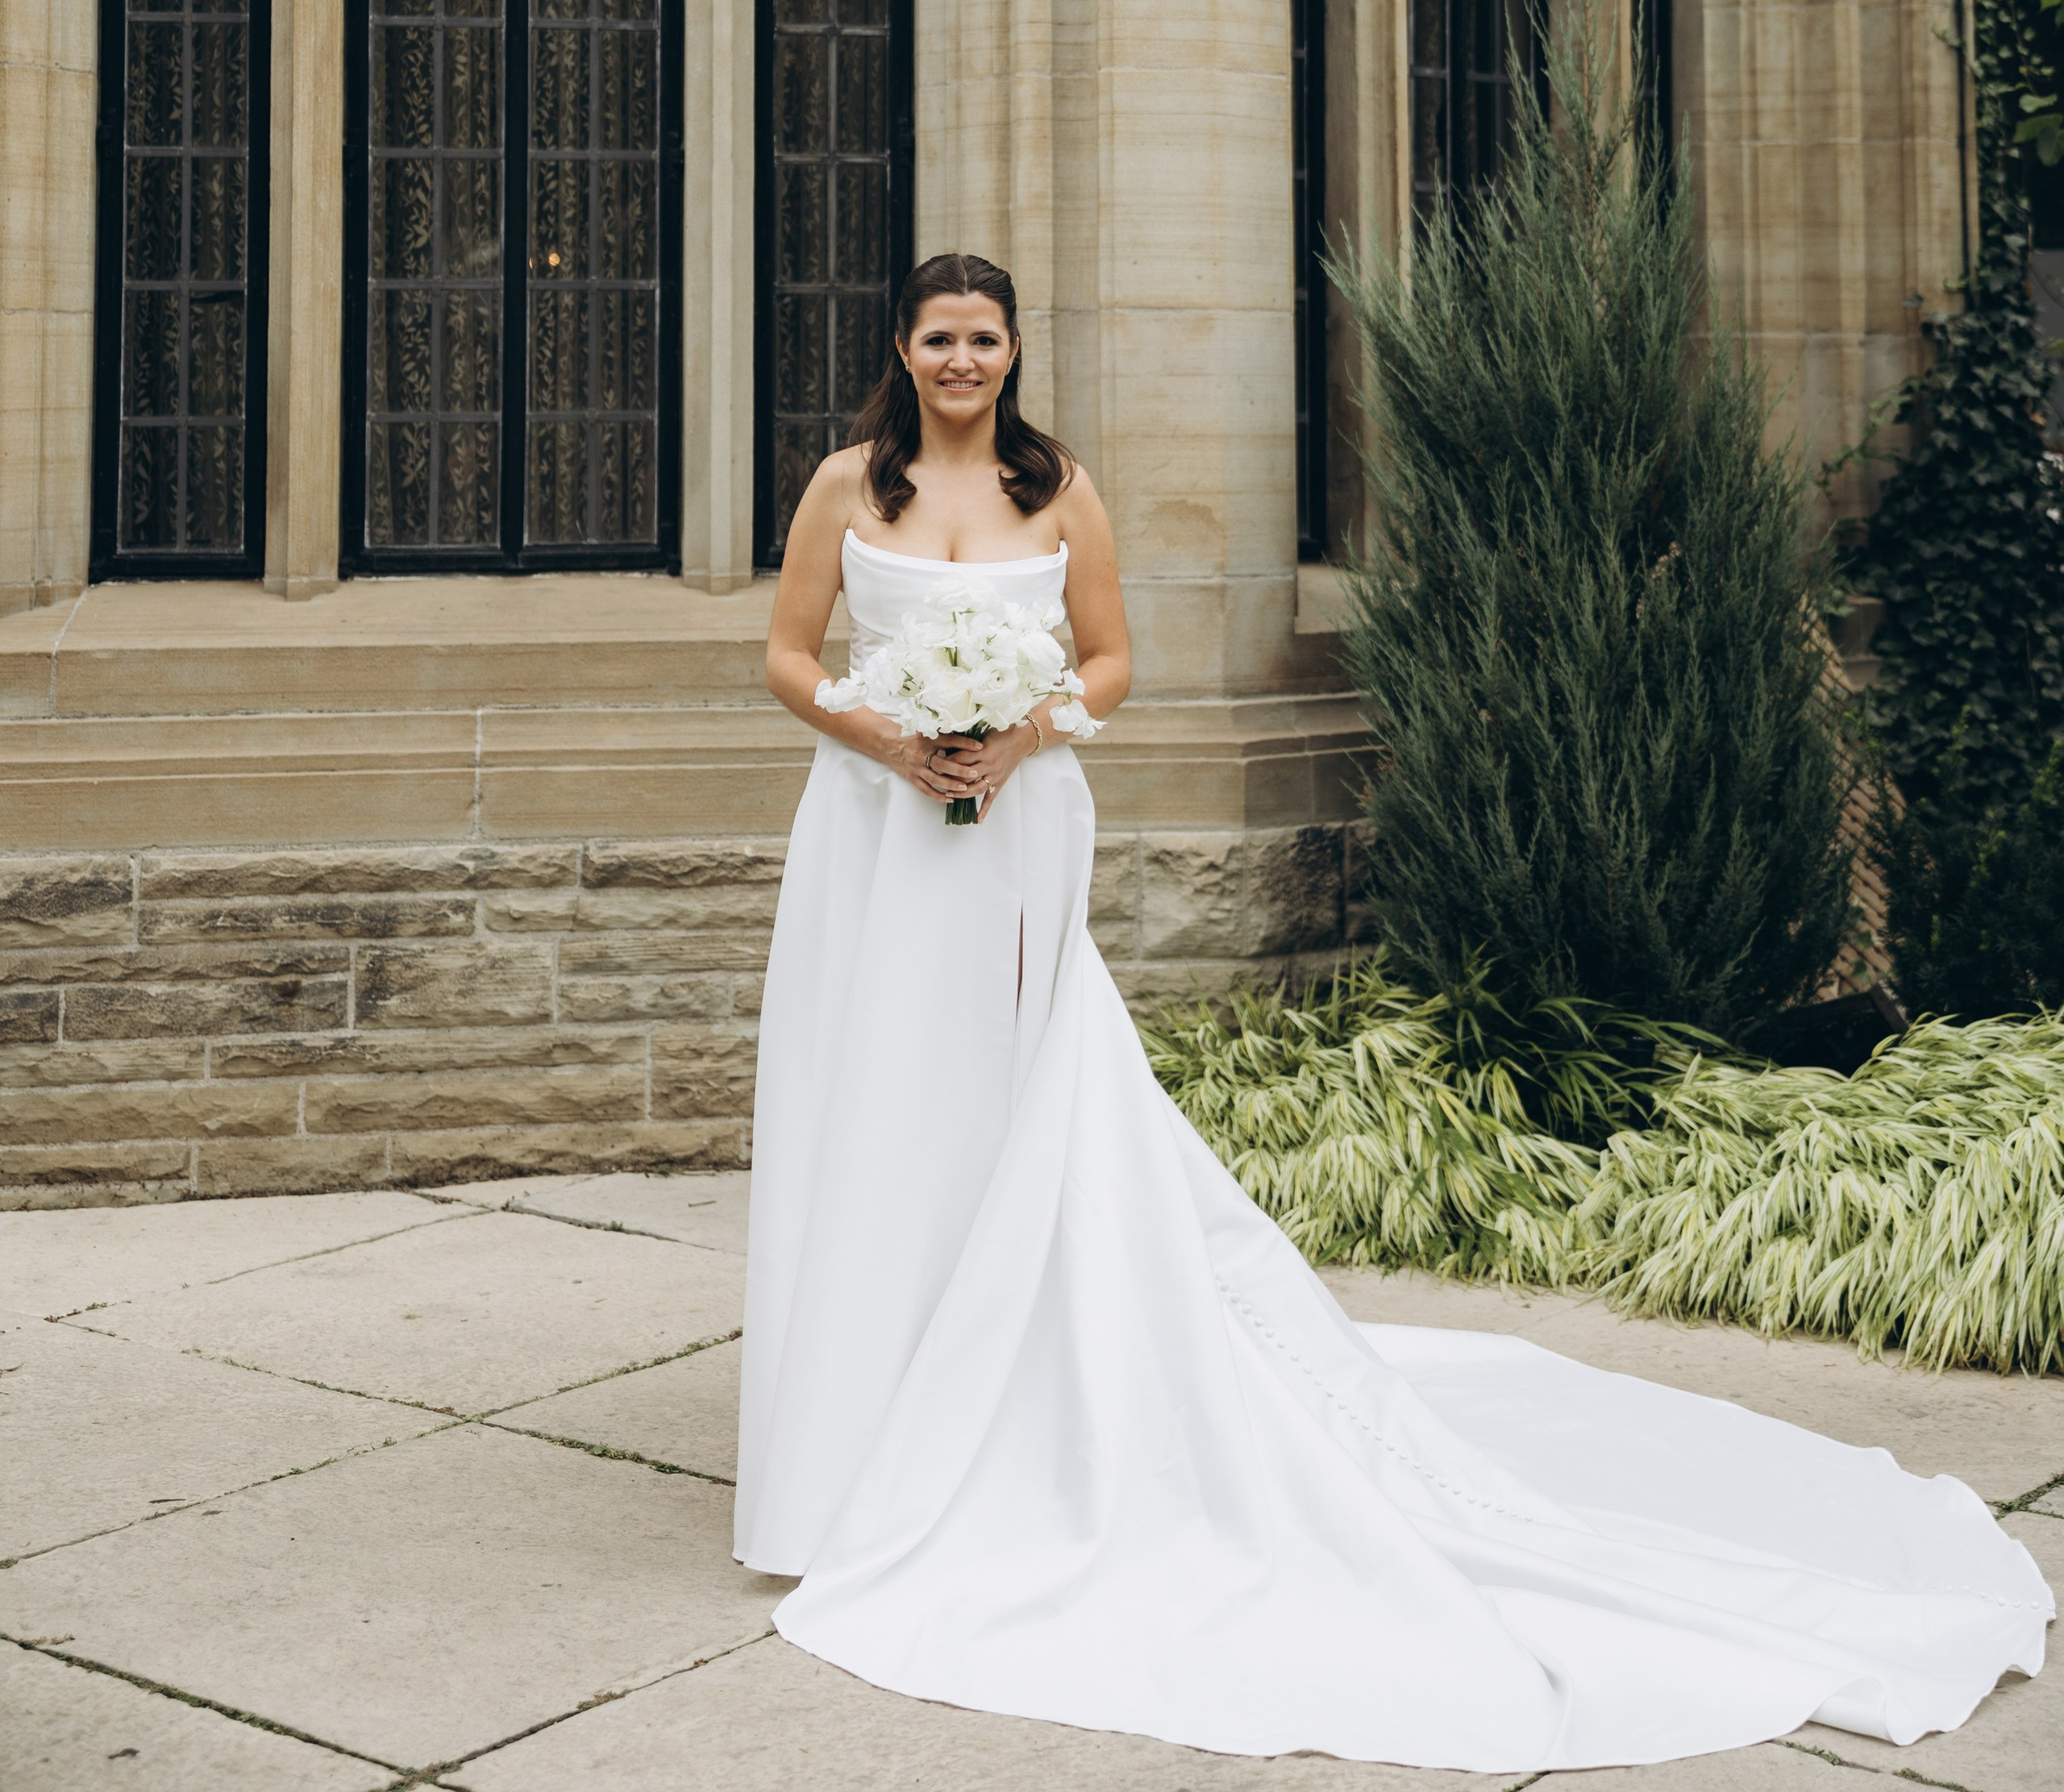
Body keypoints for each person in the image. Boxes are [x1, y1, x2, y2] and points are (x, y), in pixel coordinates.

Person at [736, 251, 2049, 1769]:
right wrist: (889, 733)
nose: (961, 360)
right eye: (936, 338)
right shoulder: (848, 485)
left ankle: (1020, 1403)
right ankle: (857, 1445)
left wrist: (1021, 733)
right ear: (901, 351)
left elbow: (1112, 661)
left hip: (1015, 827)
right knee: (881, 1103)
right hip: (874, 829)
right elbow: (784, 654)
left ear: (1015, 350)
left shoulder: (1063, 490)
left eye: (984, 337)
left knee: (1007, 1092)